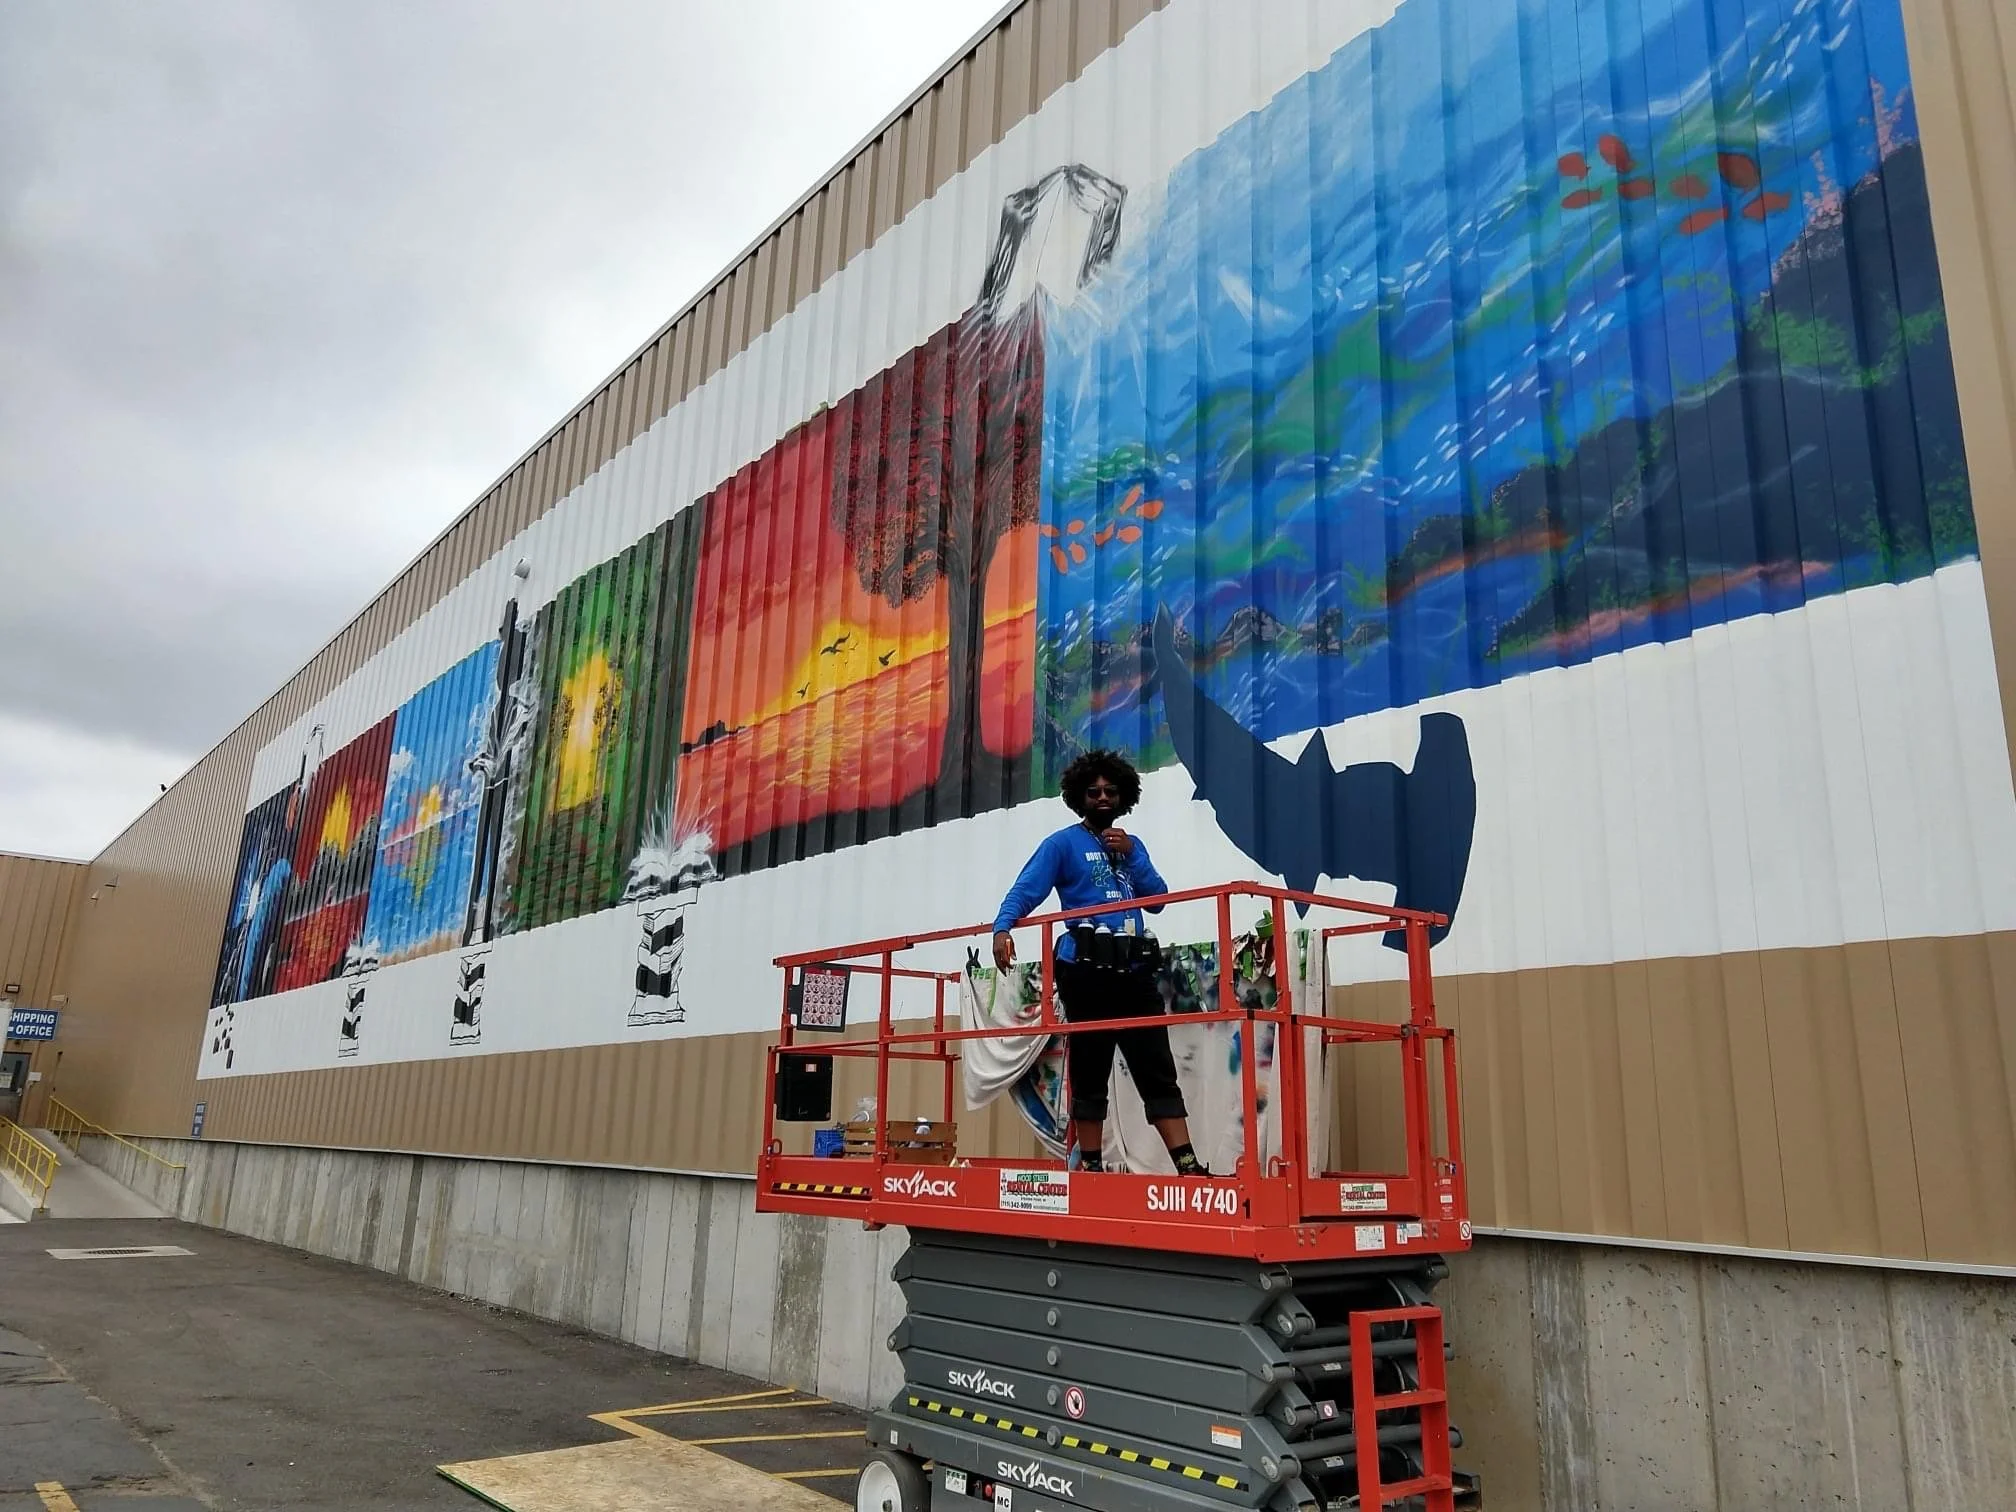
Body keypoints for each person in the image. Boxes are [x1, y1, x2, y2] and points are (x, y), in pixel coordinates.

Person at [992, 749, 1207, 1176]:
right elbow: (1027, 888)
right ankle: (1089, 1165)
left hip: (1135, 970)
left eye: (1111, 791)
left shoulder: (1131, 846)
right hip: (1086, 971)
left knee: (1156, 1066)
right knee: (1090, 1067)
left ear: (1124, 795)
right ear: (1079, 796)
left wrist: (1133, 854)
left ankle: (1188, 1165)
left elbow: (1158, 899)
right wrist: (1003, 927)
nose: (1103, 797)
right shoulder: (1062, 844)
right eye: (1093, 791)